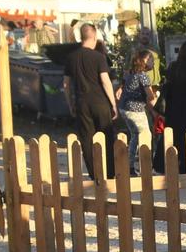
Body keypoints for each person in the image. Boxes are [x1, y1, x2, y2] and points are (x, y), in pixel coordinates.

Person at [64, 21, 117, 153]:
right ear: (94, 37)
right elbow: (105, 81)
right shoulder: (99, 57)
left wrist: (70, 103)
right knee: (107, 137)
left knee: (87, 138)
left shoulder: (71, 57)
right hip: (100, 102)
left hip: (82, 102)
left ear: (81, 37)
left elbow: (66, 84)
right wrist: (113, 104)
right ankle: (109, 171)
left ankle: (94, 172)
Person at [116, 46, 158, 171]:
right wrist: (157, 97)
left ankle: (129, 166)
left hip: (124, 108)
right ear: (145, 60)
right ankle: (145, 166)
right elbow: (150, 95)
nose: (153, 62)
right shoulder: (143, 76)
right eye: (151, 59)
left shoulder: (131, 73)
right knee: (146, 135)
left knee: (135, 135)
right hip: (135, 110)